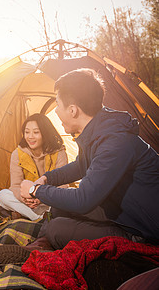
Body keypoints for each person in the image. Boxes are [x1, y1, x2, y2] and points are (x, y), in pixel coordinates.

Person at [19, 68, 159, 250]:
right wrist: (46, 179)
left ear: (73, 110)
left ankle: (44, 244)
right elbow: (81, 165)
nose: (56, 112)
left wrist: (35, 189)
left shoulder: (114, 141)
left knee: (57, 228)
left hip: (142, 228)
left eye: (57, 105)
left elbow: (83, 200)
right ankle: (40, 245)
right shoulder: (100, 128)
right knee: (58, 207)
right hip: (121, 210)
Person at [0, 113, 68, 221]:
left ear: (45, 133)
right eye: (27, 132)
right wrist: (26, 200)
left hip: (50, 201)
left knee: (71, 193)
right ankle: (38, 218)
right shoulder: (17, 154)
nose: (30, 136)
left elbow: (63, 186)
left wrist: (42, 199)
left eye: (36, 132)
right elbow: (15, 185)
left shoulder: (59, 153)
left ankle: (28, 214)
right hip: (28, 203)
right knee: (3, 196)